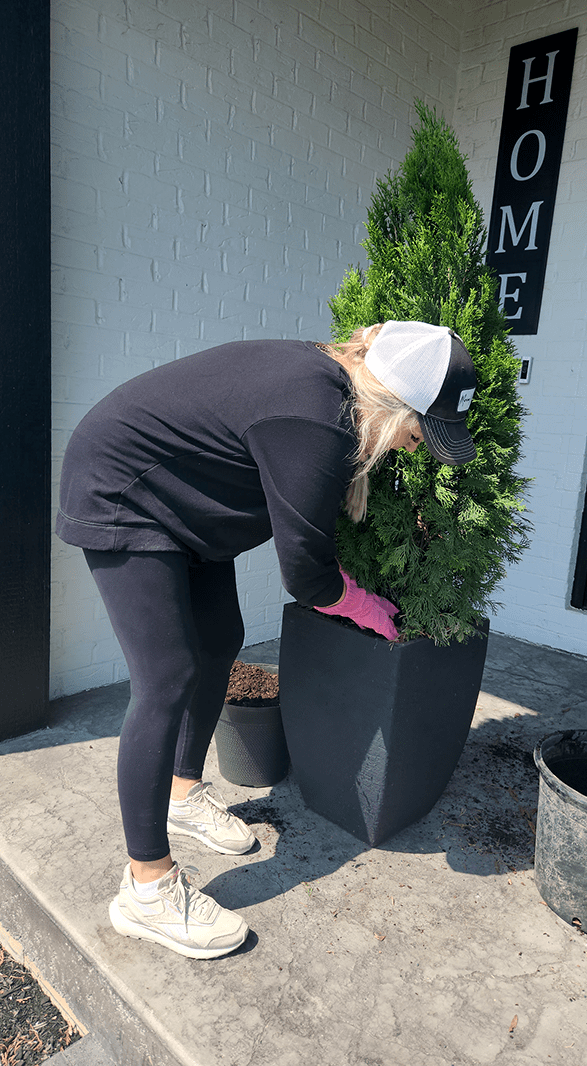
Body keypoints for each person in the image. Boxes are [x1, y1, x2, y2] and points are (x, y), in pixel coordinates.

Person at [56, 319, 477, 959]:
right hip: (126, 489)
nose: (417, 449)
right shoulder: (317, 419)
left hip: (184, 503)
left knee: (222, 635)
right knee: (165, 677)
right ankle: (146, 888)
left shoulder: (332, 392)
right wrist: (367, 607)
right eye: (419, 431)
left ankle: (179, 790)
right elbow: (306, 573)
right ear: (393, 403)